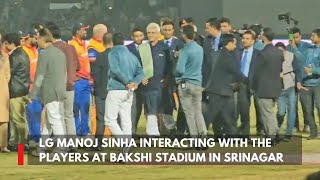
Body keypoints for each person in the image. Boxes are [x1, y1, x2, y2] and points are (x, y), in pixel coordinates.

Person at [29, 28, 67, 153]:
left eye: (37, 38)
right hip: (60, 90)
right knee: (50, 121)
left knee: (54, 119)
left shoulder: (44, 54)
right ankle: (42, 147)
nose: (36, 40)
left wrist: (32, 94)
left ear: (42, 39)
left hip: (50, 91)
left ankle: (62, 148)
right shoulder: (60, 53)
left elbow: (40, 76)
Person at [104, 32, 143, 148]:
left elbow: (115, 70)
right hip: (129, 92)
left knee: (110, 120)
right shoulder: (131, 55)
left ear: (112, 42)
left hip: (116, 89)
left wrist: (127, 83)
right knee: (126, 120)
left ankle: (124, 143)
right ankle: (125, 149)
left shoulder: (113, 52)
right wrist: (134, 83)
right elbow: (141, 72)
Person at [45, 22, 80, 139]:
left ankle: (61, 145)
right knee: (69, 115)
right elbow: (78, 67)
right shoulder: (70, 48)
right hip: (70, 86)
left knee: (56, 116)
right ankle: (72, 144)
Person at [205, 34, 242, 137]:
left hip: (215, 89)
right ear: (229, 43)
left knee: (218, 115)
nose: (235, 46)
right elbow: (236, 71)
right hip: (223, 90)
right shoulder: (228, 56)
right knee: (224, 115)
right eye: (234, 44)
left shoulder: (215, 54)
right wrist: (248, 80)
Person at [251, 28, 282, 143]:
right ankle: (275, 133)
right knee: (270, 112)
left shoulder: (263, 53)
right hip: (275, 87)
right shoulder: (278, 52)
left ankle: (272, 137)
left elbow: (257, 72)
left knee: (267, 114)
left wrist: (253, 86)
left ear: (264, 37)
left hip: (264, 88)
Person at [176, 25, 207, 138]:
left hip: (185, 84)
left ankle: (195, 138)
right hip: (197, 84)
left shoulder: (185, 50)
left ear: (183, 34)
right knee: (198, 111)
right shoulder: (200, 48)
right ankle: (203, 135)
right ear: (194, 35)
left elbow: (180, 69)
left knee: (189, 113)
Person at [140, 23, 170, 136]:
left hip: (160, 84)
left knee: (158, 108)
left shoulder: (164, 47)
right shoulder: (143, 48)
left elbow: (169, 65)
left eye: (153, 33)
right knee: (150, 108)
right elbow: (138, 66)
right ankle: (153, 133)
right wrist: (141, 77)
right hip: (146, 84)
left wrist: (166, 79)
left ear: (158, 34)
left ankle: (158, 131)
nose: (151, 35)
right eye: (149, 33)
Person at [3, 33, 30, 150]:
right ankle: (14, 143)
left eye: (6, 43)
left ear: (11, 43)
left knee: (18, 120)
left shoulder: (14, 56)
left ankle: (24, 144)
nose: (5, 45)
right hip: (23, 90)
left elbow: (8, 73)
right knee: (17, 119)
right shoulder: (24, 53)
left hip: (16, 92)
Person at [286, 27, 313, 132]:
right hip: (292, 81)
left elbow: (304, 60)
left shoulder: (308, 47)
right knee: (292, 105)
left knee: (306, 105)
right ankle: (294, 125)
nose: (295, 39)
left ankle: (307, 124)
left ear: (300, 36)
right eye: (293, 37)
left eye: (297, 37)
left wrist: (295, 48)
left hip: (304, 80)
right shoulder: (287, 48)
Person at [159, 20, 182, 135]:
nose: (167, 32)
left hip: (178, 78)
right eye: (165, 29)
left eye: (169, 29)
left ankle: (182, 128)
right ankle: (171, 128)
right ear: (161, 30)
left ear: (173, 30)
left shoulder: (180, 43)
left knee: (183, 104)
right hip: (165, 79)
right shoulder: (158, 44)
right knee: (166, 104)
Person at [237, 30, 260, 138]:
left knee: (259, 108)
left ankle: (261, 129)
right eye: (243, 38)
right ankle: (245, 132)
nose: (244, 40)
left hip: (255, 84)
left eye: (247, 38)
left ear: (253, 41)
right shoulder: (238, 52)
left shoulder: (258, 54)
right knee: (243, 109)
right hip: (242, 84)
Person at [91, 32, 113, 150]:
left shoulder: (100, 56)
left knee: (100, 118)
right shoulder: (117, 56)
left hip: (100, 91)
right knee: (117, 118)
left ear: (103, 43)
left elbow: (94, 74)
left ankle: (98, 144)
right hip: (114, 91)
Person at [69, 23, 91, 136]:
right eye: (84, 30)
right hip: (78, 82)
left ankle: (85, 131)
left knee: (85, 108)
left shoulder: (83, 44)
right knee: (75, 109)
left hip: (86, 81)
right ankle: (76, 133)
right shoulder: (72, 45)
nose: (86, 32)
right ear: (77, 31)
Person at [21, 28, 42, 143]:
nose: (37, 39)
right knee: (31, 113)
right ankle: (32, 138)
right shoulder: (23, 51)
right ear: (28, 37)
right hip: (28, 88)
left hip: (37, 88)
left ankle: (36, 137)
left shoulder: (36, 50)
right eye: (35, 37)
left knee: (37, 112)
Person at [299, 28, 320, 140]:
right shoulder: (308, 49)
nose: (311, 38)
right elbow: (296, 50)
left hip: (318, 85)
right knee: (308, 110)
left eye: (313, 36)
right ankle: (313, 132)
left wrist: (312, 71)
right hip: (305, 84)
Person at [275, 42, 298, 142]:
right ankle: (276, 129)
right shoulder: (273, 58)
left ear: (285, 49)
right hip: (280, 89)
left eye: (281, 50)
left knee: (292, 110)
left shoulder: (291, 56)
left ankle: (288, 134)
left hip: (291, 87)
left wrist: (298, 82)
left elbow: (297, 70)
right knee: (281, 112)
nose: (280, 53)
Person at [126, 28, 144, 135]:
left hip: (144, 83)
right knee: (131, 108)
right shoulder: (127, 48)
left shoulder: (147, 48)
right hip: (132, 82)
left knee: (139, 107)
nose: (139, 38)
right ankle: (130, 131)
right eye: (136, 36)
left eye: (140, 35)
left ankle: (134, 130)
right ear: (132, 37)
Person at [0, 39, 11, 153]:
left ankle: (3, 145)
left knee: (3, 119)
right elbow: (8, 75)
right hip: (3, 88)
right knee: (3, 119)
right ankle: (3, 146)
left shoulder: (4, 56)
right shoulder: (4, 56)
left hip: (2, 88)